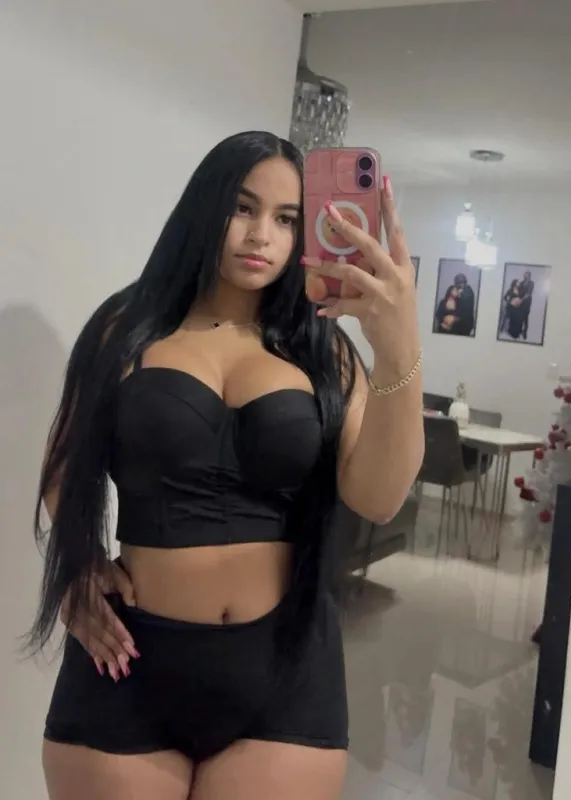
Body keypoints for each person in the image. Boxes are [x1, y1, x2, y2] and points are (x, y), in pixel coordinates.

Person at [28, 131, 424, 800]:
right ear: (205, 208)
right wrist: (80, 564)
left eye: (287, 219)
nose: (261, 234)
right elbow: (63, 466)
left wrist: (398, 347)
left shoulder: (323, 351)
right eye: (243, 207)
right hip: (128, 659)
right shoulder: (125, 328)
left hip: (286, 672)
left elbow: (379, 497)